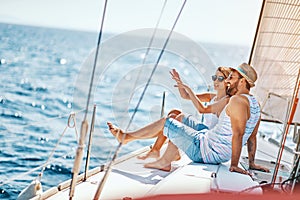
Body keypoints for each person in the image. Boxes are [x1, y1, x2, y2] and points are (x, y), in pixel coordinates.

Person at [108, 63, 270, 175]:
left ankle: (127, 138)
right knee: (178, 116)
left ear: (242, 81)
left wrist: (234, 165)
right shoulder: (255, 104)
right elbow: (252, 137)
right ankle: (158, 150)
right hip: (210, 144)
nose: (227, 81)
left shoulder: (235, 101)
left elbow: (239, 134)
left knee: (167, 122)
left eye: (231, 78)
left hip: (206, 151)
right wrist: (251, 163)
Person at [137, 67, 231, 160]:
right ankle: (155, 150)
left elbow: (202, 109)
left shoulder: (227, 101)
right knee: (173, 113)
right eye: (215, 77)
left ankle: (172, 153)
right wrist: (179, 82)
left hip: (209, 140)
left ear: (227, 82)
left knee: (178, 117)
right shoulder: (211, 97)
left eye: (220, 78)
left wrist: (189, 89)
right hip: (204, 131)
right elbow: (185, 96)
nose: (216, 81)